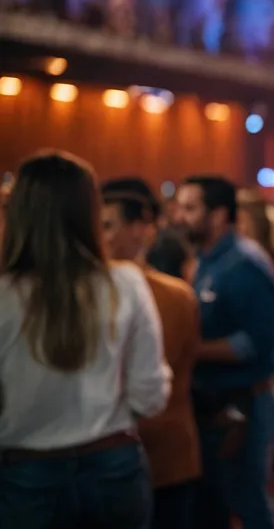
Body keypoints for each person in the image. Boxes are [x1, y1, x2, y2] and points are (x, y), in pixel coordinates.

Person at [0, 151, 171, 529]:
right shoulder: (126, 283)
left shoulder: (4, 295)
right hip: (113, 464)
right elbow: (150, 396)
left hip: (27, 472)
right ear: (89, 211)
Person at [174, 176, 274, 529]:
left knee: (248, 503)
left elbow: (254, 343)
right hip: (215, 403)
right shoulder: (207, 258)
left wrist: (189, 350)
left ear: (218, 215)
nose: (179, 217)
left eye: (190, 208)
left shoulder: (243, 264)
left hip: (243, 405)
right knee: (216, 503)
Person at [101, 178, 202, 529]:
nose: (101, 236)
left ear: (139, 230)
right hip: (112, 458)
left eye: (108, 225)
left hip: (163, 452)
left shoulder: (173, 296)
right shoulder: (85, 293)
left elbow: (165, 374)